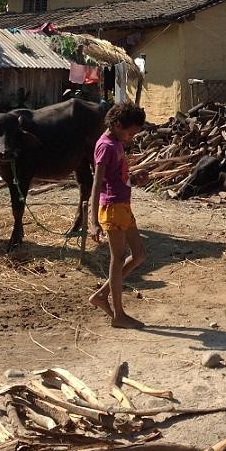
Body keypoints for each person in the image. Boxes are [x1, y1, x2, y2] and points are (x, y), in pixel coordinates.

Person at [88, 102, 148, 329]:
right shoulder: (106, 146)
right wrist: (93, 221)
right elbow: (97, 183)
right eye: (130, 133)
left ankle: (102, 295)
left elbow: (116, 177)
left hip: (123, 206)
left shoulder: (117, 143)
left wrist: (134, 178)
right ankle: (118, 315)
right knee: (118, 259)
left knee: (139, 255)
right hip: (112, 208)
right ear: (117, 125)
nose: (132, 138)